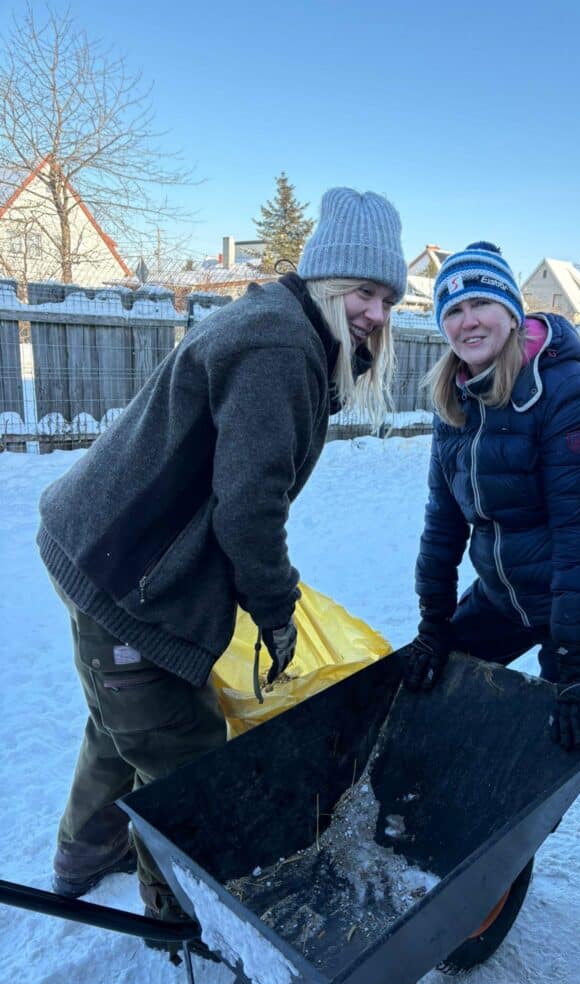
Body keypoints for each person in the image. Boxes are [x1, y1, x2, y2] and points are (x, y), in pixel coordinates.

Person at [38, 187, 407, 933]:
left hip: (113, 550)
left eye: (387, 298)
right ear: (327, 281)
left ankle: (85, 853)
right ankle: (179, 919)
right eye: (362, 291)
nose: (374, 312)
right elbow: (249, 508)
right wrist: (276, 612)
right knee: (186, 756)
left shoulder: (286, 328)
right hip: (126, 571)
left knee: (126, 718)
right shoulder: (282, 347)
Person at [403, 242, 580, 750]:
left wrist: (576, 669)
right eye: (453, 310)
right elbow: (443, 523)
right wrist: (434, 625)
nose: (468, 321)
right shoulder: (454, 399)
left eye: (481, 303)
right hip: (508, 591)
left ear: (512, 314)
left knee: (555, 745)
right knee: (432, 682)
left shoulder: (566, 391)